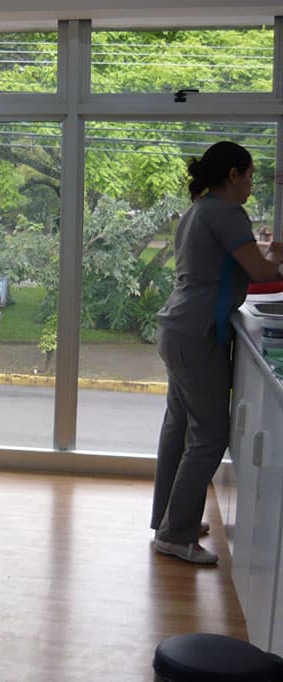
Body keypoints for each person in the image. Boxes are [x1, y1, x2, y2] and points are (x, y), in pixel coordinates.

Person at [152, 141, 283, 565]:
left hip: (179, 326)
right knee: (210, 434)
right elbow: (262, 270)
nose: (250, 185)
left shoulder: (198, 209)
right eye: (249, 176)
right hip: (199, 331)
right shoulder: (227, 213)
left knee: (181, 425)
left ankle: (169, 519)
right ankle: (176, 533)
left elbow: (239, 266)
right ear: (232, 175)